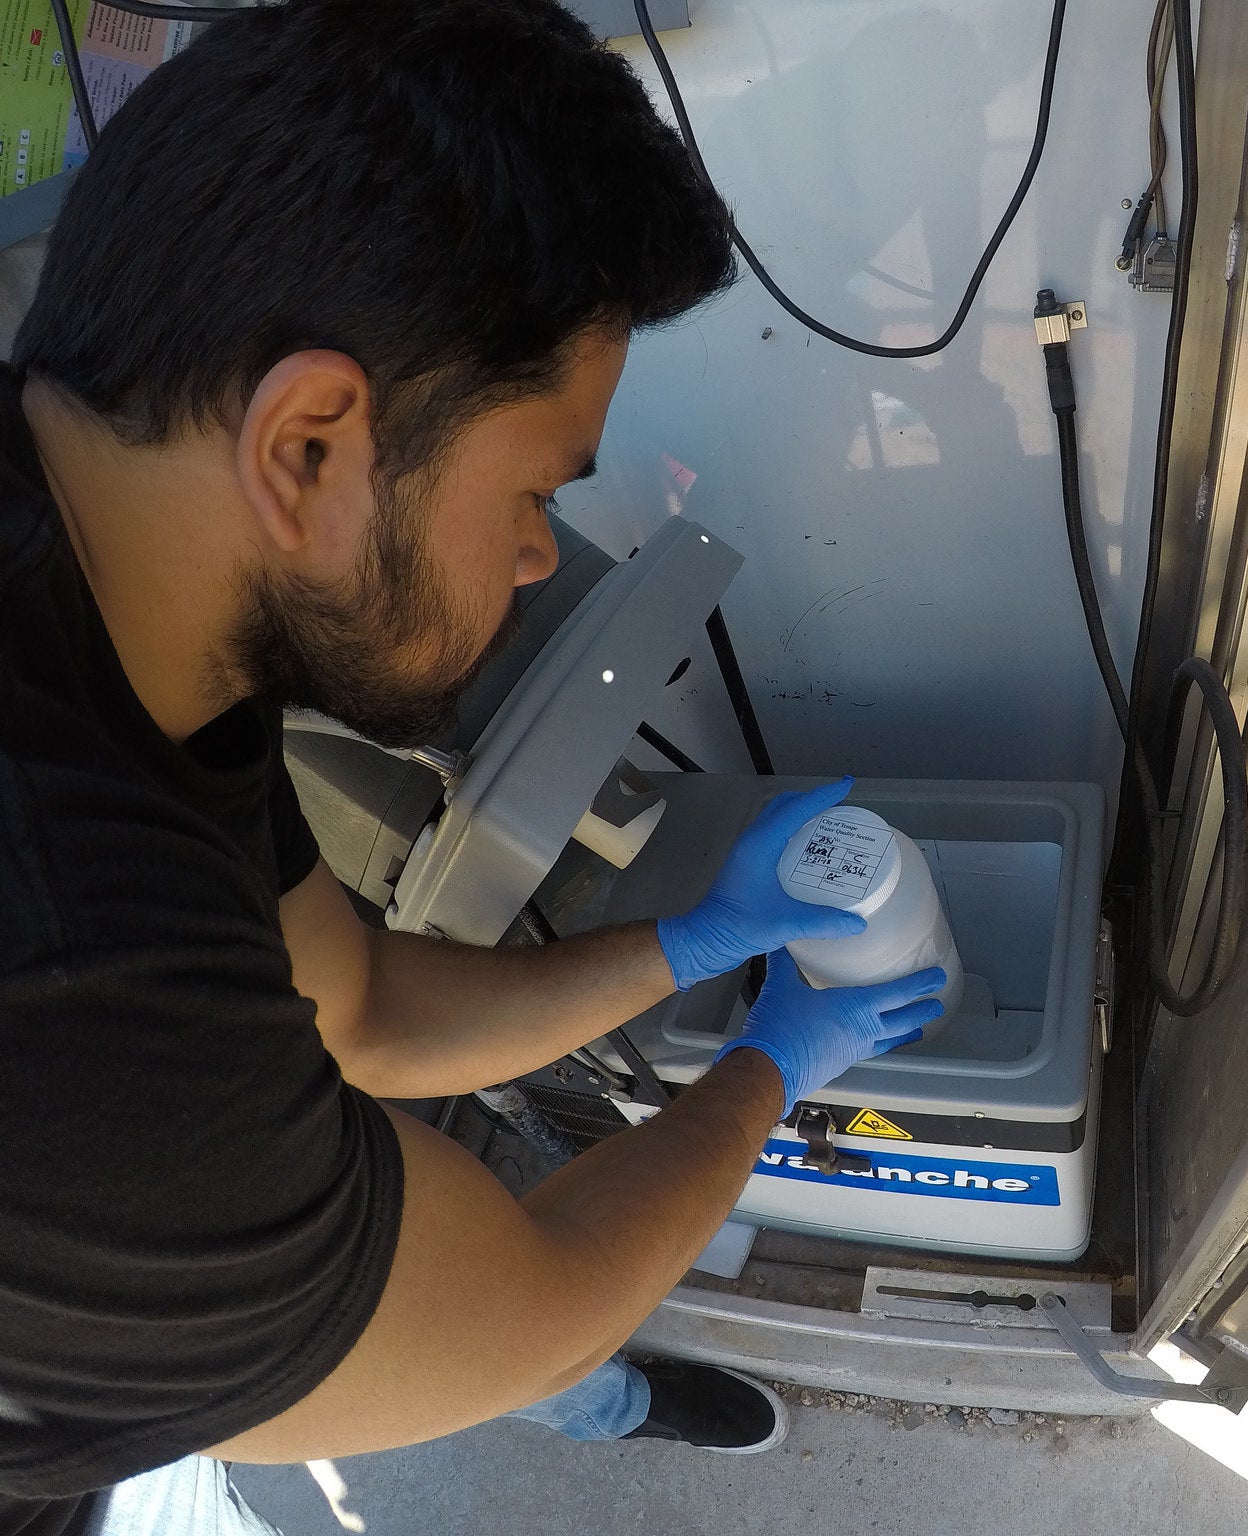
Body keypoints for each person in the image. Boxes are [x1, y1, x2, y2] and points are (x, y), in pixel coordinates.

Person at [0, 3, 950, 1533]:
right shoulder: (90, 1034)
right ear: (309, 445)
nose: (536, 555)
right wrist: (781, 1059)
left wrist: (685, 946)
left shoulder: (134, 612)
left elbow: (360, 1007)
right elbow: (544, 1303)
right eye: (537, 489)